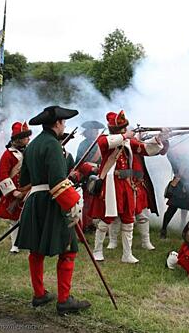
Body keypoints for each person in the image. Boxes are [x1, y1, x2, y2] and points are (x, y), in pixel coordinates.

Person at [15, 105, 91, 315]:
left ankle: (39, 294)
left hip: (35, 200)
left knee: (36, 250)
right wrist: (73, 203)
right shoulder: (54, 145)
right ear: (57, 123)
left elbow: (24, 181)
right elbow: (58, 181)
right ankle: (64, 300)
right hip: (53, 200)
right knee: (68, 250)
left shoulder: (32, 146)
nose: (64, 125)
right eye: (63, 122)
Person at [90, 110, 165, 263]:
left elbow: (145, 149)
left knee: (128, 219)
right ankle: (97, 251)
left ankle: (127, 254)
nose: (125, 130)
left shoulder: (128, 141)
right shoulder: (107, 139)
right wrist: (125, 136)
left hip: (127, 184)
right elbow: (104, 143)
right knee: (106, 219)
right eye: (122, 128)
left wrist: (159, 138)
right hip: (112, 184)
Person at [106, 136, 169, 251]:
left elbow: (158, 150)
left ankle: (146, 241)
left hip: (138, 184)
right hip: (120, 184)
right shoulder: (115, 144)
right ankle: (113, 240)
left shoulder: (138, 145)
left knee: (142, 215)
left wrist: (161, 137)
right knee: (117, 215)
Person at [0, 122, 32, 253]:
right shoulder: (8, 155)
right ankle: (15, 245)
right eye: (26, 136)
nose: (28, 139)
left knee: (29, 217)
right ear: (18, 139)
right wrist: (13, 192)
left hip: (29, 189)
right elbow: (2, 175)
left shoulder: (30, 151)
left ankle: (27, 242)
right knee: (14, 220)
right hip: (15, 191)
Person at [160, 142, 189, 239]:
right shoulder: (174, 158)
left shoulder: (188, 157)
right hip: (179, 187)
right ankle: (163, 231)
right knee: (171, 210)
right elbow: (168, 152)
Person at [75, 120, 104, 232]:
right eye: (93, 130)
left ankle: (100, 224)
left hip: (101, 173)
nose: (95, 132)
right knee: (89, 201)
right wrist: (92, 169)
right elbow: (79, 163)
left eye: (96, 130)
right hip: (88, 176)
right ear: (88, 131)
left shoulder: (101, 143)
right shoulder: (84, 144)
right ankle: (88, 224)